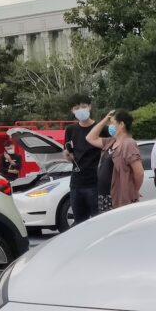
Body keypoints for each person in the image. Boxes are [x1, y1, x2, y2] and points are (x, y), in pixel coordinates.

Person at [62, 95, 108, 225]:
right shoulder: (70, 130)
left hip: (96, 182)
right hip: (76, 183)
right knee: (79, 223)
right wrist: (67, 155)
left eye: (83, 106)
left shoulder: (102, 128)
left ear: (90, 107)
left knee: (99, 222)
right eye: (76, 108)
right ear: (72, 111)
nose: (80, 110)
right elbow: (68, 152)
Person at [86, 109, 144, 211]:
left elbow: (139, 172)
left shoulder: (129, 144)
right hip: (104, 196)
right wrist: (104, 120)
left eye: (112, 123)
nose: (109, 126)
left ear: (121, 125)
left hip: (118, 197)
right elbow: (90, 138)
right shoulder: (110, 142)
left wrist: (134, 189)